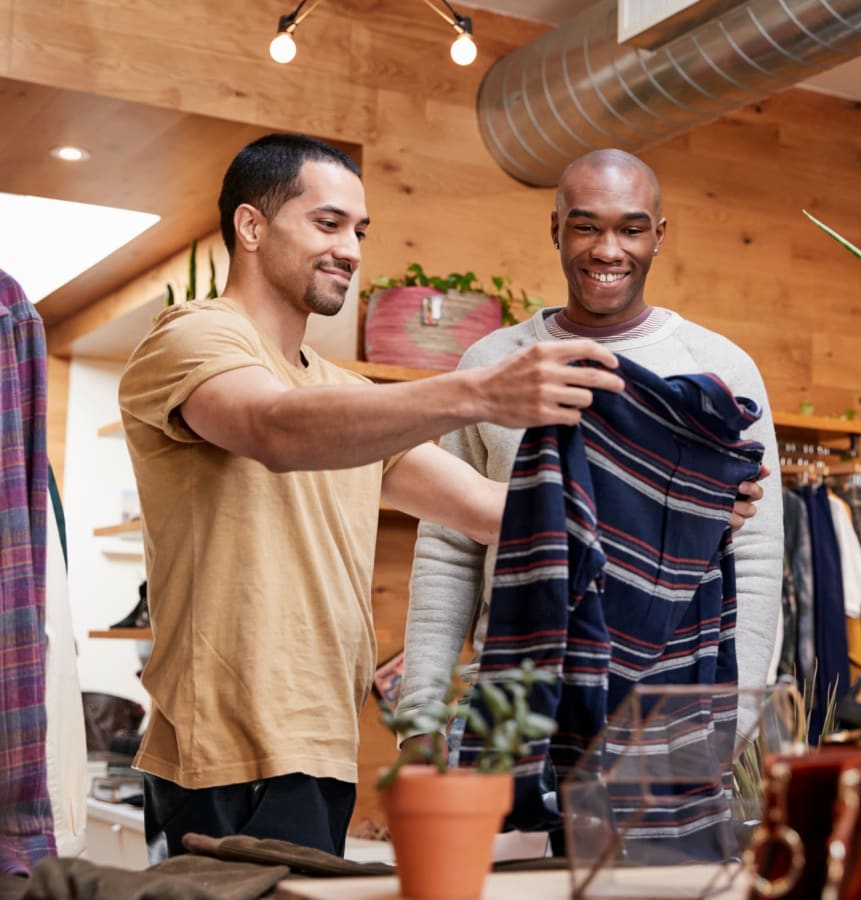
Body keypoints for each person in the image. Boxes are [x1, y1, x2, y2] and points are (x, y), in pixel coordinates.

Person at [116, 133, 628, 860]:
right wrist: (476, 392)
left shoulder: (345, 398)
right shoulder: (193, 337)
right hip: (221, 759)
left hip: (322, 752)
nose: (352, 249)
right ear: (251, 226)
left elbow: (495, 513)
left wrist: (679, 507)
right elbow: (273, 427)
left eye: (359, 231)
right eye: (328, 223)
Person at [397, 149, 783, 775]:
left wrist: (733, 722)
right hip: (510, 700)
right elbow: (448, 546)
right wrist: (418, 716)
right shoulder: (492, 365)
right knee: (496, 877)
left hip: (668, 712)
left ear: (659, 236)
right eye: (586, 226)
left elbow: (759, 558)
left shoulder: (719, 372)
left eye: (631, 228)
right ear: (555, 229)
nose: (608, 249)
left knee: (645, 881)